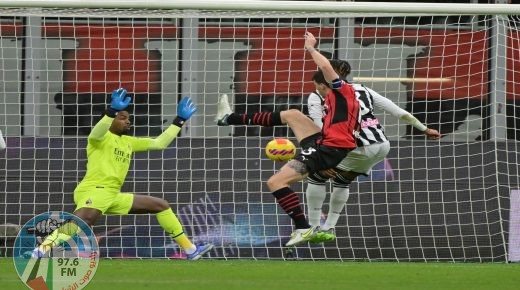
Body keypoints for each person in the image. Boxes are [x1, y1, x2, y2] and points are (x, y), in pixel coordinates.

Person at [216, 31, 361, 247]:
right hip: (328, 144)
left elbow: (326, 68)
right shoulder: (337, 100)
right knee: (292, 114)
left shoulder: (342, 92)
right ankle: (228, 118)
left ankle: (303, 227)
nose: (317, 91)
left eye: (318, 87)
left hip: (329, 149)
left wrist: (311, 48)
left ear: (325, 85)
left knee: (276, 182)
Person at [32, 88, 213, 260]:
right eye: (122, 117)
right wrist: (111, 111)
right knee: (84, 220)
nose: (128, 121)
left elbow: (159, 143)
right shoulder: (100, 138)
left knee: (161, 205)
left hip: (112, 194)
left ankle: (190, 249)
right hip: (95, 190)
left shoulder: (128, 142)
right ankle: (42, 249)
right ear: (110, 119)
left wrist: (179, 120)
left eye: (128, 118)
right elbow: (95, 133)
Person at [305, 59, 441, 243]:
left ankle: (312, 228)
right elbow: (397, 111)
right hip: (381, 146)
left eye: (317, 84)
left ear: (325, 80)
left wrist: (325, 157)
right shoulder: (363, 89)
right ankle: (329, 228)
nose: (316, 87)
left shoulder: (318, 96)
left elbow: (320, 126)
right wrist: (424, 129)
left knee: (316, 175)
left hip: (354, 146)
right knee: (342, 181)